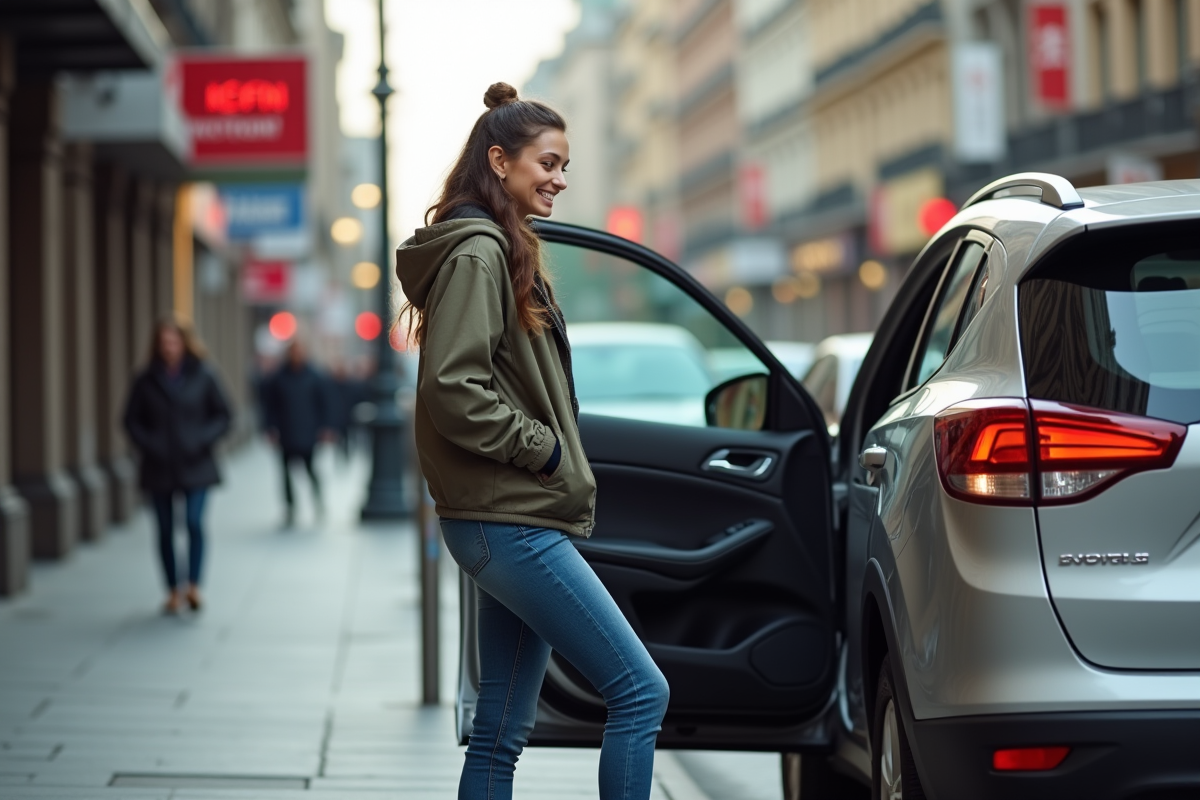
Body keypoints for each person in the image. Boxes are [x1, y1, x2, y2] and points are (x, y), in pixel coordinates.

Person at [395, 82, 669, 800]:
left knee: (501, 729)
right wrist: (542, 449)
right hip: (508, 518)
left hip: (501, 517)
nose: (559, 177)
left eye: (564, 164)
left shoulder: (498, 248)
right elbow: (454, 389)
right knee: (640, 692)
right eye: (547, 162)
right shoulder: (480, 254)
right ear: (500, 160)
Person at [123, 315, 232, 614]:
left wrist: (200, 440)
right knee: (165, 529)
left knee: (195, 523)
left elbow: (224, 415)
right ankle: (172, 589)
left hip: (196, 464)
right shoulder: (145, 379)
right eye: (163, 342)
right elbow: (130, 421)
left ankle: (194, 585)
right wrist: (150, 443)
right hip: (159, 466)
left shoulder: (204, 375)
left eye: (174, 341)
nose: (169, 347)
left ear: (185, 343)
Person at [262, 340, 331, 525]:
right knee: (285, 474)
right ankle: (290, 507)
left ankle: (318, 501)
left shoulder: (315, 376)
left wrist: (325, 427)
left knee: (311, 471)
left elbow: (325, 404)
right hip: (286, 433)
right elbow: (269, 406)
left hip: (309, 433)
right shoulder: (278, 378)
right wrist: (270, 428)